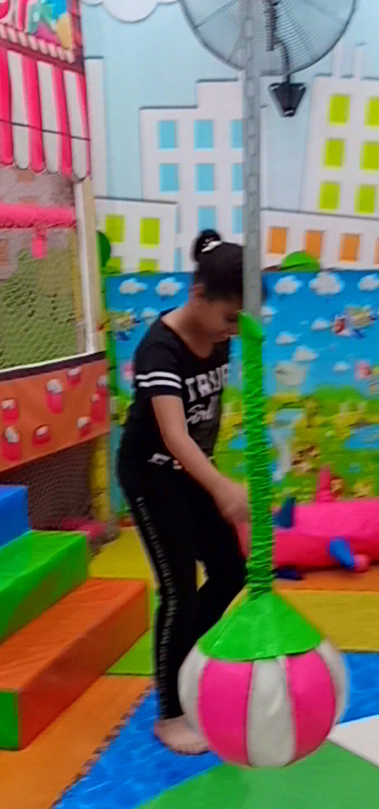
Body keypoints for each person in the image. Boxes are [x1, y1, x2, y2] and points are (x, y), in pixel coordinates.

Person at [118, 230, 249, 754]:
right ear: (198, 295)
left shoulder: (221, 334)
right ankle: (170, 712)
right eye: (229, 318)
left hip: (192, 472)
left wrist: (215, 479)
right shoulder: (160, 349)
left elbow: (202, 426)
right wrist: (221, 487)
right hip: (151, 476)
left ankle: (190, 659)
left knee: (232, 570)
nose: (233, 331)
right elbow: (174, 434)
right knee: (178, 589)